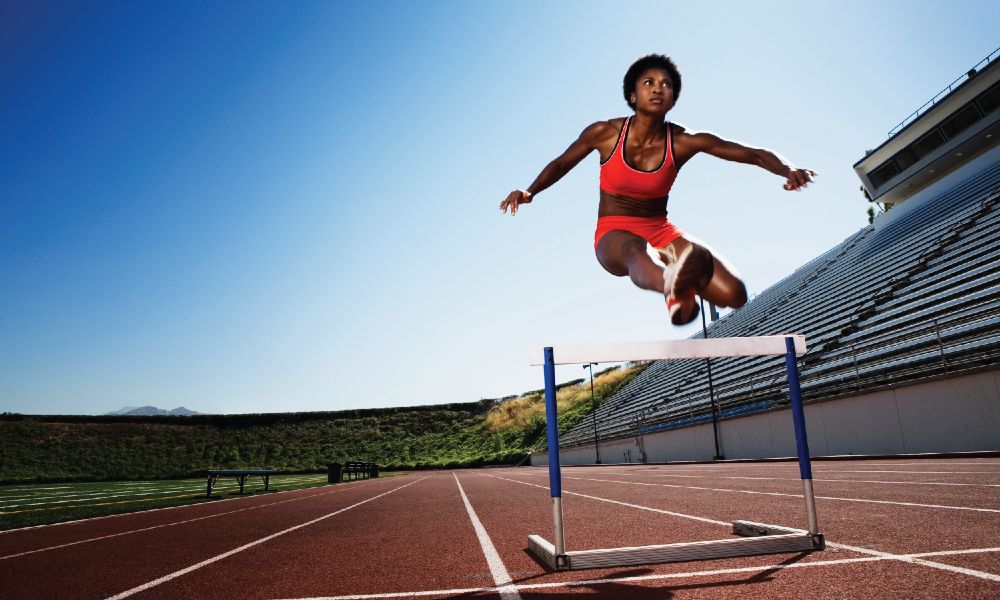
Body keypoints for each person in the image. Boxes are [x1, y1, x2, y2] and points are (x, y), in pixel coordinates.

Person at [500, 54, 816, 325]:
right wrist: (530, 192)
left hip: (660, 229)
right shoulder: (605, 133)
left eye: (666, 84)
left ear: (673, 98)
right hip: (614, 233)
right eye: (648, 82)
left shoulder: (682, 141)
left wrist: (787, 169)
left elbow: (751, 153)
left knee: (734, 295)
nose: (657, 89)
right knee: (637, 249)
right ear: (633, 95)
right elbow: (561, 164)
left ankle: (682, 279)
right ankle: (672, 286)